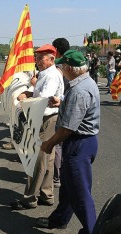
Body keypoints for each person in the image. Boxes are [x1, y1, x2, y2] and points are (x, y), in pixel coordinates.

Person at [36, 49, 100, 234]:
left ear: (70, 69)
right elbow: (77, 107)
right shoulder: (84, 83)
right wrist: (61, 100)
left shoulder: (80, 90)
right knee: (68, 186)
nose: (60, 69)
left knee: (79, 192)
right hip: (81, 142)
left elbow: (68, 128)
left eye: (62, 66)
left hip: (78, 143)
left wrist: (49, 143)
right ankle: (60, 219)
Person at [10, 44, 64, 210]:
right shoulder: (44, 73)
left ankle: (29, 198)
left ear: (51, 59)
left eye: (41, 58)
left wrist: (25, 100)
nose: (37, 61)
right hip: (45, 118)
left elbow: (44, 99)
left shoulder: (52, 75)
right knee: (48, 159)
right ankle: (46, 194)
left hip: (47, 118)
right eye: (37, 57)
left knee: (37, 159)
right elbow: (36, 91)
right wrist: (27, 93)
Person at [51, 37, 70, 188]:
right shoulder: (72, 63)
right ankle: (63, 174)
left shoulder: (58, 66)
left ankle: (57, 177)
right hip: (69, 107)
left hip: (60, 106)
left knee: (57, 143)